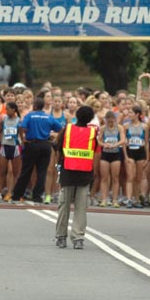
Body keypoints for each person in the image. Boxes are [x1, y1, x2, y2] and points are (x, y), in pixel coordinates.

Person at [54, 105, 98, 249]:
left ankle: (61, 237)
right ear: (90, 118)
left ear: (77, 116)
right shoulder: (93, 132)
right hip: (85, 174)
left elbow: (57, 147)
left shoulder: (67, 129)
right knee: (81, 208)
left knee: (64, 205)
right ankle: (78, 238)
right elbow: (95, 153)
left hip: (67, 172)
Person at [11, 97, 63, 204]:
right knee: (42, 171)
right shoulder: (49, 117)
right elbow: (61, 128)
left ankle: (17, 195)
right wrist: (56, 139)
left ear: (34, 106)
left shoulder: (30, 115)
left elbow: (21, 127)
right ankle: (37, 196)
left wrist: (22, 139)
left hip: (32, 143)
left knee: (26, 170)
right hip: (45, 144)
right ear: (43, 106)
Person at [98, 111, 125, 207]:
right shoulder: (103, 128)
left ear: (115, 119)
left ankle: (114, 200)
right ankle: (104, 199)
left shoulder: (119, 128)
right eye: (108, 119)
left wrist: (115, 145)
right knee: (104, 177)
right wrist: (105, 145)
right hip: (105, 154)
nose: (110, 121)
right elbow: (99, 140)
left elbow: (123, 140)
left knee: (115, 178)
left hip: (115, 154)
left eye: (112, 119)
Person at [0, 102, 22, 203]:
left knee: (16, 172)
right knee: (2, 171)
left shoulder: (19, 121)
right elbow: (0, 130)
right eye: (5, 109)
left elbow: (21, 134)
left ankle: (15, 193)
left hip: (15, 147)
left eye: (8, 109)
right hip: (4, 147)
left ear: (14, 109)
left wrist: (21, 142)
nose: (6, 111)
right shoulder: (4, 119)